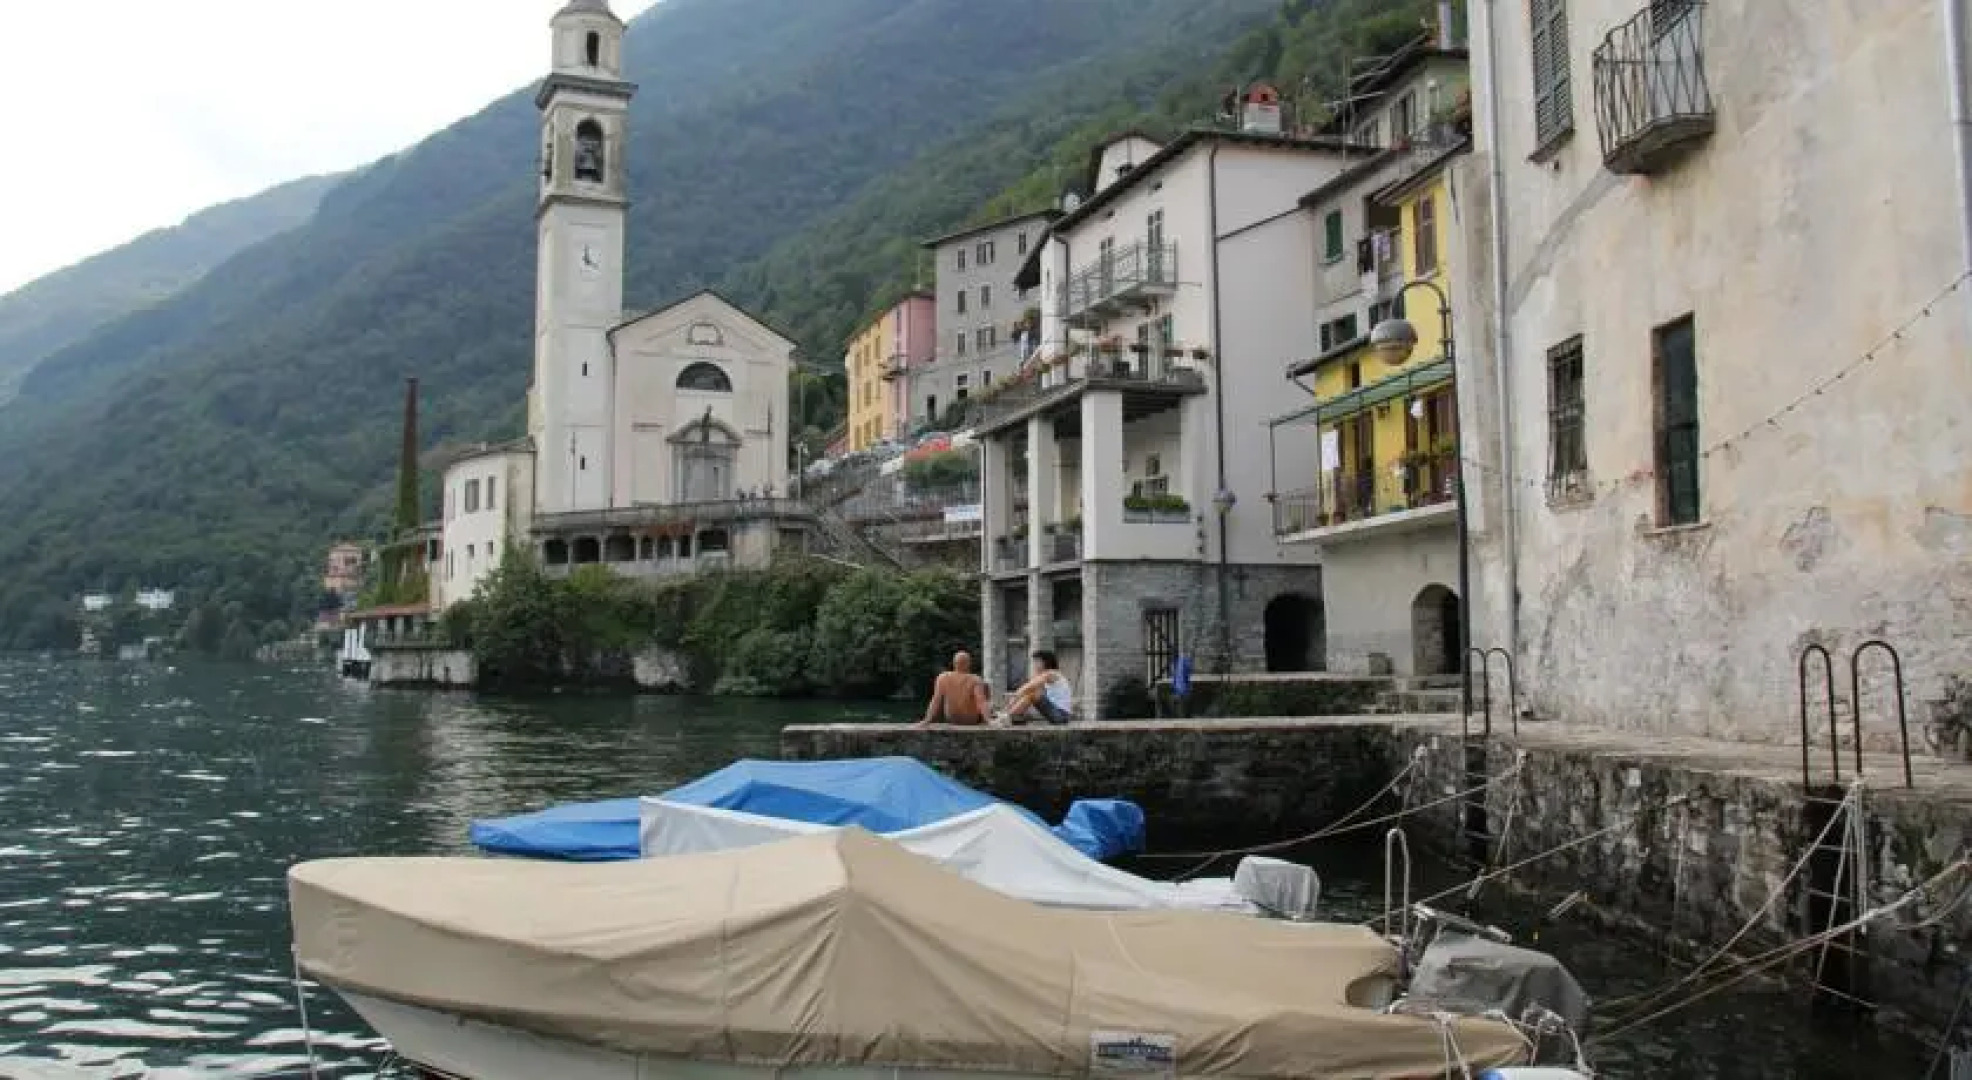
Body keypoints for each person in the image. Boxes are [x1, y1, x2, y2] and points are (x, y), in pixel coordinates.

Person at [914, 651, 990, 727]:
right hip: (970, 719)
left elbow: (936, 700)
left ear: (954, 663)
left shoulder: (943, 677)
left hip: (952, 719)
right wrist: (989, 720)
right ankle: (987, 718)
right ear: (969, 664)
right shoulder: (975, 679)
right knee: (985, 687)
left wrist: (927, 720)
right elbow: (981, 701)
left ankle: (988, 718)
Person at [999, 650, 1074, 725]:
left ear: (1046, 662)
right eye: (1034, 662)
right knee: (1032, 693)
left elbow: (1028, 687)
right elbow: (1031, 690)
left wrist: (1013, 700)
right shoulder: (1047, 676)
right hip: (1058, 715)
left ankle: (1006, 716)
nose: (1035, 665)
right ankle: (1013, 717)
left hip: (1061, 715)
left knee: (1032, 694)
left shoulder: (1051, 674)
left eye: (1037, 662)